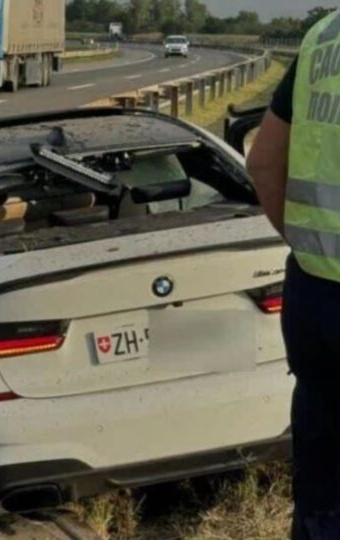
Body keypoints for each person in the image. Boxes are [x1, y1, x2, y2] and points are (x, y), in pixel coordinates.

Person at [247, 10, 340, 540]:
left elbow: (263, 163)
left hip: (313, 296)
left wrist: (311, 247)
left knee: (322, 488)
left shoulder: (323, 35)